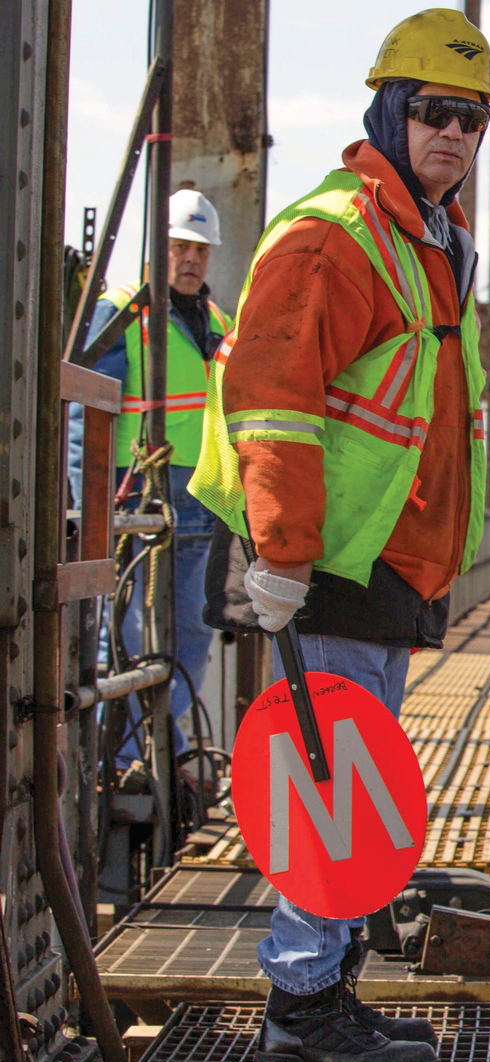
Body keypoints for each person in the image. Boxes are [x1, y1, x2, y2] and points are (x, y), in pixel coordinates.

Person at [186, 10, 490, 1062]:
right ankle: (301, 1022)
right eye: (434, 112)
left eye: (472, 117)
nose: (453, 133)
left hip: (379, 568)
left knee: (344, 796)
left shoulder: (428, 240)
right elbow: (274, 398)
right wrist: (277, 550)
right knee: (324, 802)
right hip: (324, 567)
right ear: (389, 111)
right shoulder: (338, 234)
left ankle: (323, 996)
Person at [70, 189, 232, 772]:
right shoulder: (123, 312)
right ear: (154, 250)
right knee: (127, 630)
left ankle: (168, 738)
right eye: (179, 247)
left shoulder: (217, 322)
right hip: (137, 495)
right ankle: (128, 753)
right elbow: (83, 416)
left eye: (200, 249)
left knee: (193, 629)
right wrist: (86, 505)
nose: (190, 259)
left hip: (201, 500)